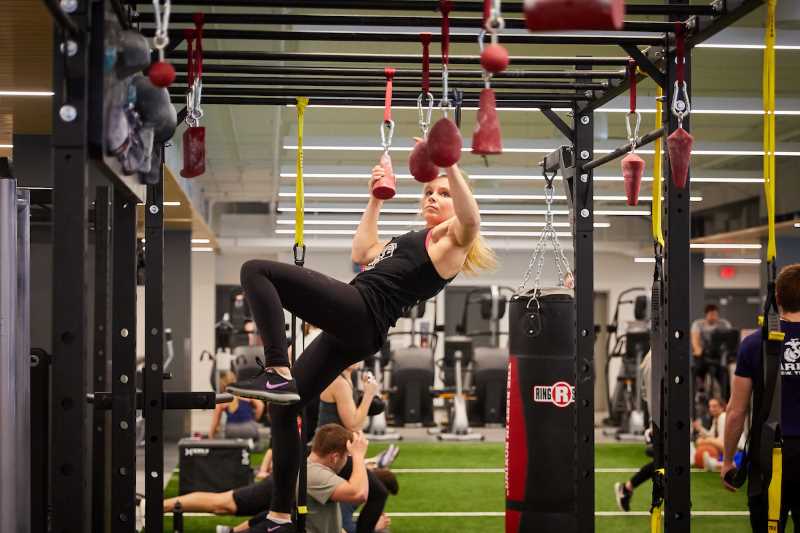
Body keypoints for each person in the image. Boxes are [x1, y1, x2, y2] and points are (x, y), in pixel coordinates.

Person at [226, 162, 495, 532]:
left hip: (362, 311)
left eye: (444, 193)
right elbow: (363, 249)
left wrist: (450, 163)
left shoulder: (451, 244)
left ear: (458, 202)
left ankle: (276, 368)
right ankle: (279, 515)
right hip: (356, 326)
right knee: (285, 410)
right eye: (429, 192)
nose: (433, 196)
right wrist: (375, 199)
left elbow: (472, 220)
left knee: (257, 271)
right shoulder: (412, 238)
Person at [165, 424, 370, 533]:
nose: (348, 460)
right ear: (335, 456)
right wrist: (359, 456)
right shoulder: (315, 473)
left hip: (286, 499)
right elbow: (359, 493)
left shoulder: (317, 471)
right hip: (279, 488)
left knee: (252, 512)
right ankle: (155, 506)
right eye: (347, 456)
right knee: (224, 503)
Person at [721, 263, 800, 532]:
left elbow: (736, 411)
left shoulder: (755, 343)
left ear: (776, 298)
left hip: (769, 455)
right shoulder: (755, 343)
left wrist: (729, 461)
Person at [319, 362, 399, 533]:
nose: (361, 359)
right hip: (331, 455)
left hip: (339, 451)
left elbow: (353, 419)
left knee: (374, 488)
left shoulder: (347, 378)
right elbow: (354, 424)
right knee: (378, 492)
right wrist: (369, 394)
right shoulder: (338, 382)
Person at [209, 371, 265, 440]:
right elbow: (260, 406)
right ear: (235, 380)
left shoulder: (222, 398)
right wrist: (254, 420)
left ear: (222, 384)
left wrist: (210, 436)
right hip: (249, 428)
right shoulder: (245, 393)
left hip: (231, 430)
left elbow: (215, 423)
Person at [691, 304, 733, 393]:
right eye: (711, 315)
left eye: (715, 315)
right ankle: (700, 387)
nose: (713, 317)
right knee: (698, 367)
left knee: (724, 374)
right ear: (706, 315)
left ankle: (726, 397)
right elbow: (695, 341)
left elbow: (730, 339)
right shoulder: (698, 324)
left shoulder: (724, 324)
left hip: (718, 355)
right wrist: (699, 351)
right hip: (703, 355)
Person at [692, 398, 726, 471]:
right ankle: (713, 463)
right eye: (710, 406)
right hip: (726, 451)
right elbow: (711, 435)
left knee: (701, 441)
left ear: (722, 407)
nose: (711, 409)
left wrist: (705, 440)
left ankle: (713, 463)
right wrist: (700, 428)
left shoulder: (723, 417)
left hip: (736, 450)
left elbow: (721, 441)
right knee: (701, 440)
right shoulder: (716, 419)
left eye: (714, 406)